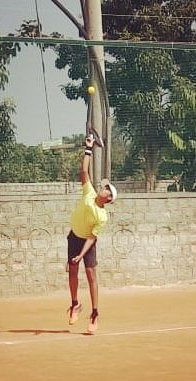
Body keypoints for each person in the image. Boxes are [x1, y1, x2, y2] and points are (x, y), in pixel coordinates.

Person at [66, 134, 117, 334]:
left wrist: (81, 255)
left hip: (87, 242)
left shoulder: (102, 216)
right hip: (74, 236)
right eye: (104, 187)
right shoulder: (89, 193)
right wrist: (88, 148)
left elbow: (92, 237)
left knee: (90, 274)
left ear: (109, 198)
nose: (103, 188)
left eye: (106, 189)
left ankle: (95, 314)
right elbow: (84, 170)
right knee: (72, 271)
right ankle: (75, 304)